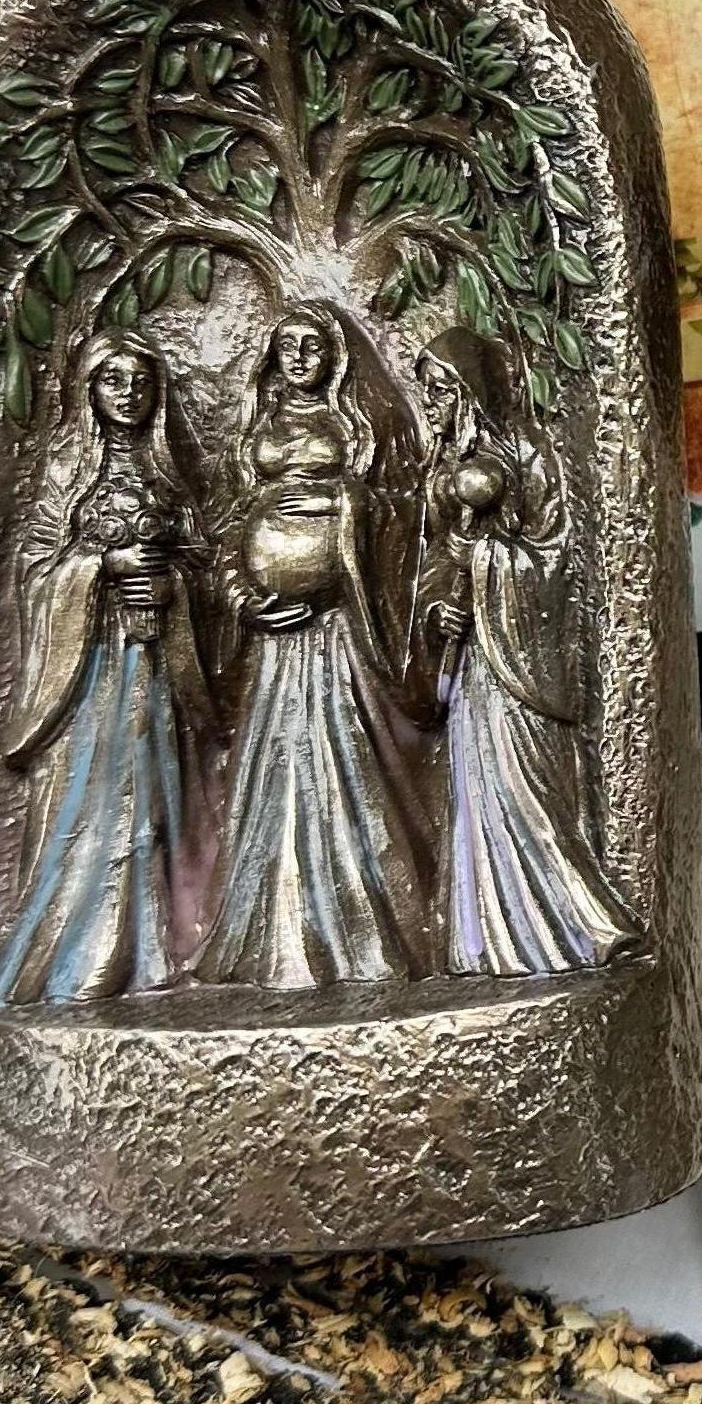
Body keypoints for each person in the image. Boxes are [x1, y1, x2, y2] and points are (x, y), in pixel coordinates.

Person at [196, 304, 431, 989]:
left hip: (336, 632)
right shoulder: (255, 431)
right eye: (287, 345)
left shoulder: (356, 426)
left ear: (334, 357)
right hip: (273, 637)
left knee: (343, 752)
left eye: (312, 346)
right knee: (275, 760)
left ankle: (358, 928)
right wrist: (245, 595)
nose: (299, 357)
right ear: (272, 358)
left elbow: (397, 512)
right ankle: (273, 930)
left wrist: (348, 518)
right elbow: (227, 529)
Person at [0, 335, 216, 1009]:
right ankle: (84, 952)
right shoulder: (68, 471)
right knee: (98, 797)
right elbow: (35, 570)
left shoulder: (167, 474)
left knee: (156, 796)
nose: (128, 393)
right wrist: (99, 570)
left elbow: (200, 560)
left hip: (157, 661)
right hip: (92, 671)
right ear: (89, 389)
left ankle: (155, 946)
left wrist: (173, 587)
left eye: (140, 380)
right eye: (113, 380)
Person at [413, 328, 636, 975]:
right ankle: (484, 939)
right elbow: (430, 564)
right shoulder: (442, 472)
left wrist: (486, 561)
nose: (431, 404)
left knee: (526, 791)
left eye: (440, 391)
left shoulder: (526, 454)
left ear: (468, 392)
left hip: (518, 660)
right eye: (427, 392)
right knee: (475, 791)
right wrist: (440, 603)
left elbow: (558, 555)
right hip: (472, 663)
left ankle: (580, 928)